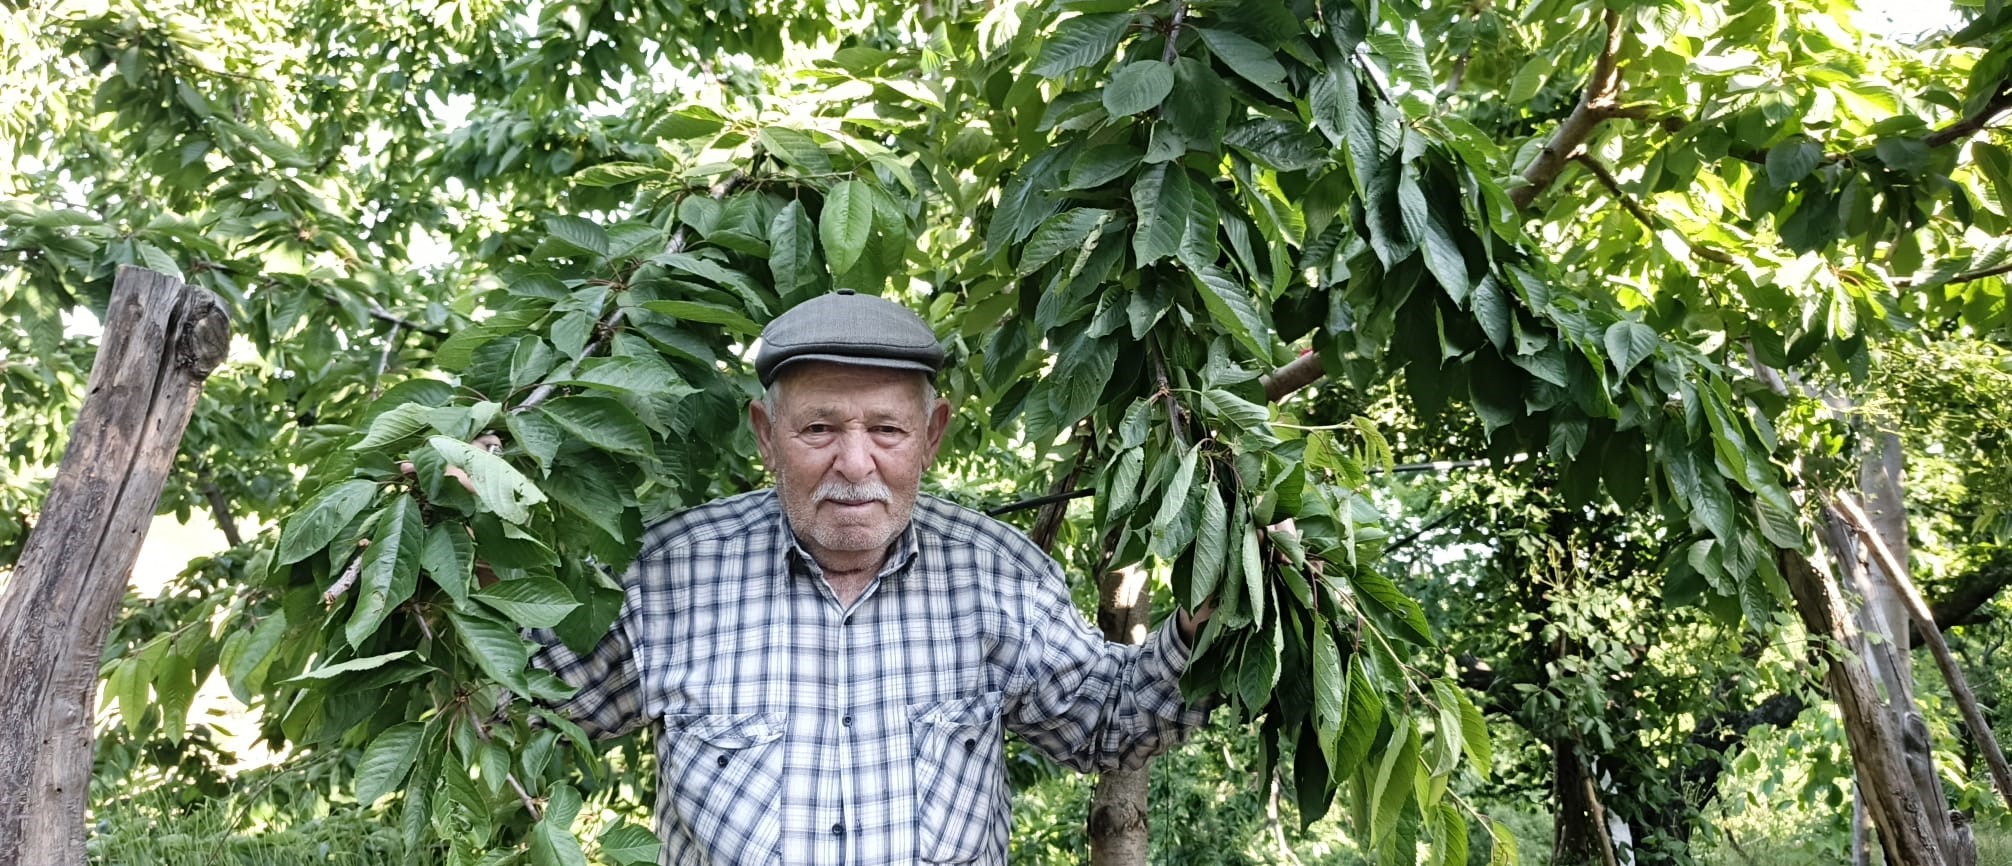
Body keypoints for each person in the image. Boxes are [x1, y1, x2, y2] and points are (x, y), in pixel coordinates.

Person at [530, 289, 1213, 866]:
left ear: (932, 434)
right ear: (766, 435)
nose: (855, 464)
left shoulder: (995, 572)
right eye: (819, 429)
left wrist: (1202, 624)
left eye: (887, 430)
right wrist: (474, 547)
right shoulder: (669, 574)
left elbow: (1109, 721)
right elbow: (530, 691)